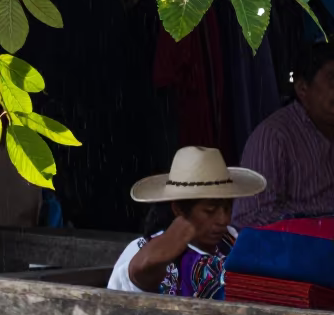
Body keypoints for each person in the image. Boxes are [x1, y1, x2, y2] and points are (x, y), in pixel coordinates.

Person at [107, 146, 265, 298]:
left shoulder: (232, 239)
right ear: (179, 210)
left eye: (228, 208)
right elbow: (137, 275)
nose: (223, 219)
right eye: (209, 211)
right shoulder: (141, 249)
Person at [233, 42, 334, 228]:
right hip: (297, 251)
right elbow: (250, 216)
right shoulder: (274, 137)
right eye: (332, 81)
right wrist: (316, 225)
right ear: (303, 89)